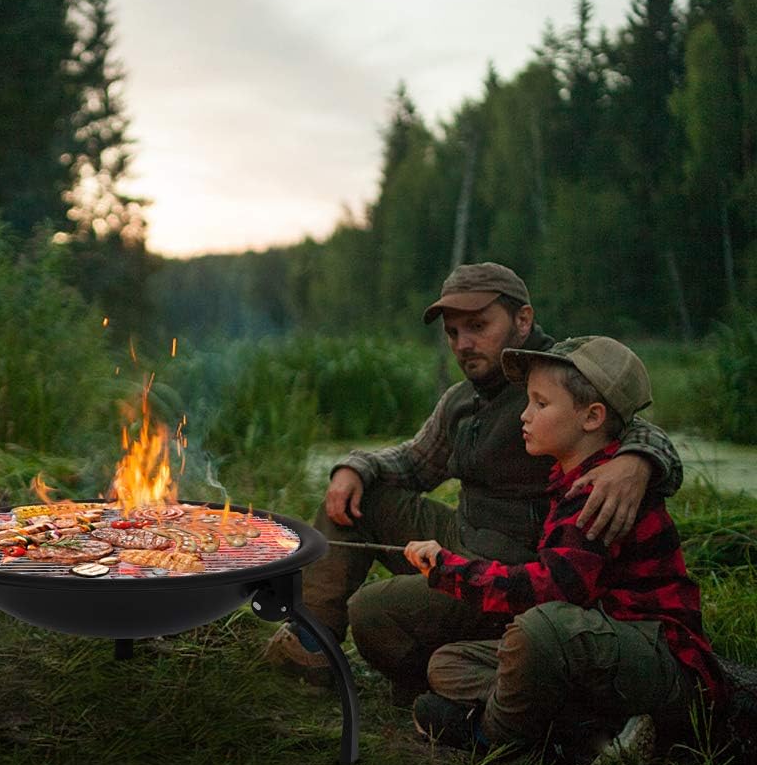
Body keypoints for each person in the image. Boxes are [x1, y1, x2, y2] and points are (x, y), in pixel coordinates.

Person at [264, 262, 683, 703]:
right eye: (453, 332)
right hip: (462, 538)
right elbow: (412, 462)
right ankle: (312, 649)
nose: (463, 344)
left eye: (479, 326)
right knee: (355, 498)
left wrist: (637, 460)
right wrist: (354, 466)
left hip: (522, 571)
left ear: (522, 320)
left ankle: (457, 675)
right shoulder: (462, 400)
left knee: (373, 613)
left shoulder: (560, 375)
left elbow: (633, 423)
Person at [406, 336, 725, 765]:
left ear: (592, 417)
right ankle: (594, 737)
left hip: (657, 657)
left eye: (539, 403)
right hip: (596, 648)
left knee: (538, 629)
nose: (524, 414)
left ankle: (495, 738)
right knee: (448, 663)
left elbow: (554, 591)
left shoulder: (604, 491)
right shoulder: (568, 473)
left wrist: (450, 569)